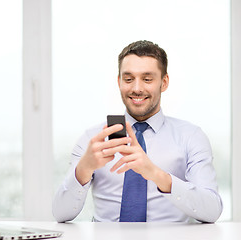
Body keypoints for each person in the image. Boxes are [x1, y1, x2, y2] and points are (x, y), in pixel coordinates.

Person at [52, 40, 223, 223]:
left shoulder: (191, 137)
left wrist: (156, 175)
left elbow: (212, 210)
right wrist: (84, 169)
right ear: (119, 82)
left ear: (164, 82)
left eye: (147, 79)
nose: (136, 88)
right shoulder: (92, 140)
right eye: (128, 79)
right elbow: (60, 214)